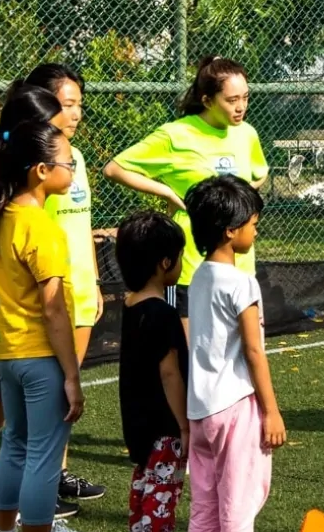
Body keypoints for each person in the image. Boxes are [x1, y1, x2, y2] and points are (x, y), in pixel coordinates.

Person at [0, 86, 100, 532]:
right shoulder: (42, 228)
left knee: (14, 444)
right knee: (43, 457)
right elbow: (53, 308)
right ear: (40, 169)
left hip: (7, 352)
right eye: (67, 163)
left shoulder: (4, 215)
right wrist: (71, 373)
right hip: (38, 355)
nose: (72, 170)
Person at [181, 175, 296, 532]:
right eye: (252, 223)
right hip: (235, 408)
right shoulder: (242, 283)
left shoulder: (199, 275)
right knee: (239, 504)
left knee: (207, 503)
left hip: (201, 410)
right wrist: (271, 410)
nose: (256, 230)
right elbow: (253, 352)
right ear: (230, 231)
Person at [104, 56, 268, 329]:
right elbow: (115, 168)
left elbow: (260, 171)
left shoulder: (247, 134)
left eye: (245, 98)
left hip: (242, 269)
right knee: (189, 360)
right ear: (207, 100)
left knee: (242, 355)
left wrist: (244, 195)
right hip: (192, 270)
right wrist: (167, 192)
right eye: (231, 100)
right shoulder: (175, 135)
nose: (241, 108)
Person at [13, 63, 108, 504]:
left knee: (67, 400)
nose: (75, 114)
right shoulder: (33, 166)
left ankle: (58, 474)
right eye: (66, 105)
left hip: (82, 293)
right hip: (50, 297)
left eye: (79, 105)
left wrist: (95, 281)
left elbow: (81, 224)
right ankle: (37, 489)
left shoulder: (76, 159)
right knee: (45, 400)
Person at [115, 210, 191, 532]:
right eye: (178, 256)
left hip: (137, 419)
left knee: (143, 490)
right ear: (165, 262)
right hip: (162, 421)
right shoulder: (162, 313)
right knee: (162, 497)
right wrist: (184, 424)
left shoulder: (130, 305)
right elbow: (169, 373)